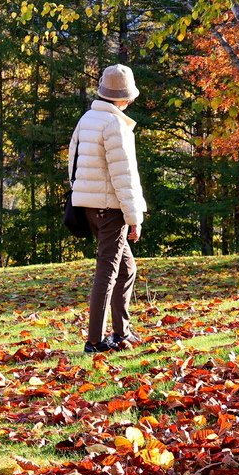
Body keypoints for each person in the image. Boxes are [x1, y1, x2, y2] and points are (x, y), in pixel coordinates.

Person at [68, 64, 147, 353]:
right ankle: (95, 340)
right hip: (111, 208)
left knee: (126, 269)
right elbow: (123, 176)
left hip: (89, 205)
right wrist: (133, 218)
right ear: (125, 98)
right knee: (108, 272)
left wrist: (80, 194)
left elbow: (72, 159)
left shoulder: (88, 118)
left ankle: (122, 331)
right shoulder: (115, 125)